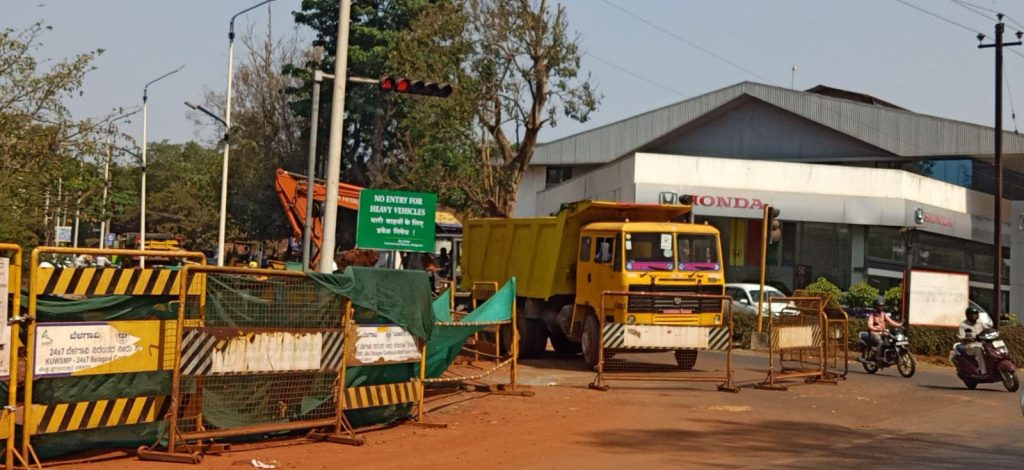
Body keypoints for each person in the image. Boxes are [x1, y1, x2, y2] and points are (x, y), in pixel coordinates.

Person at [866, 296, 902, 361]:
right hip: (874, 333)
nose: (880, 307)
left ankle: (889, 356)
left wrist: (898, 325)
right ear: (875, 306)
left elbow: (890, 321)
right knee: (880, 342)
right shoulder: (872, 314)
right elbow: (869, 325)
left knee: (891, 340)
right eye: (879, 305)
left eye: (882, 306)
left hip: (883, 332)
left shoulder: (883, 314)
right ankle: (878, 357)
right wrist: (876, 329)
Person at [957, 306, 989, 375]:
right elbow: (961, 337)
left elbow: (987, 329)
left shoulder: (979, 322)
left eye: (975, 314)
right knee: (978, 350)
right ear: (968, 315)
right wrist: (969, 339)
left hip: (982, 343)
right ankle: (983, 371)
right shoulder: (963, 325)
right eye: (972, 314)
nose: (974, 316)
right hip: (970, 346)